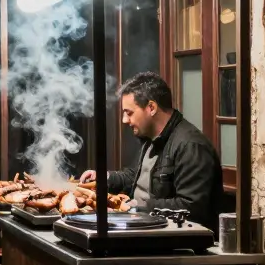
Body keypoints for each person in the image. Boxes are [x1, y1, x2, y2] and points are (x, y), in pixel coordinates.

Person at [79, 71, 223, 230]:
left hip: (173, 243)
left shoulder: (191, 146)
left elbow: (191, 207)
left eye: (129, 113)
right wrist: (105, 178)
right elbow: (137, 177)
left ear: (151, 107)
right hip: (143, 226)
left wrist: (137, 207)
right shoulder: (151, 138)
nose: (124, 120)